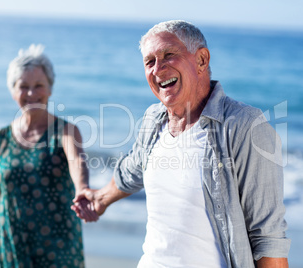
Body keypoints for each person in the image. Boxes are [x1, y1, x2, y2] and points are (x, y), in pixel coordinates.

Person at [73, 20, 291, 268]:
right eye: (149, 62)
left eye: (169, 55)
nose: (158, 69)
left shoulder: (245, 126)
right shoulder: (153, 120)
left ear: (201, 60)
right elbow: (131, 173)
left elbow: (268, 238)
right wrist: (99, 200)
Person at [0, 44, 97, 268]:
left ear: (50, 88)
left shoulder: (65, 131)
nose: (31, 93)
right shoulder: (0, 138)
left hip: (58, 247)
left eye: (39, 85)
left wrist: (82, 188)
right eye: (23, 86)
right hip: (12, 243)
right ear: (13, 91)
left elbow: (77, 161)